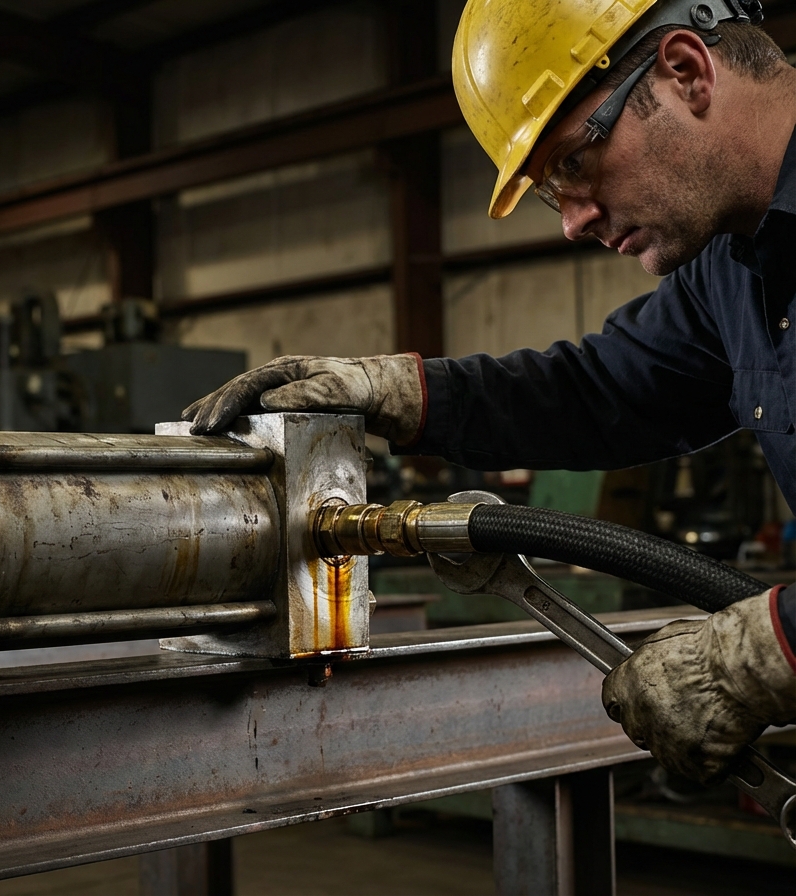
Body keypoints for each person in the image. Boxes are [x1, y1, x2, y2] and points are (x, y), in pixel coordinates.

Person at [181, 0, 796, 785]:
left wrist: (767, 652)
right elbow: (601, 390)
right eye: (548, 190)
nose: (571, 222)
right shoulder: (734, 267)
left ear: (685, 72)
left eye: (572, 164)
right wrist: (403, 394)